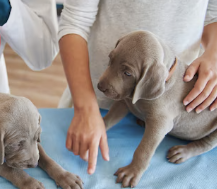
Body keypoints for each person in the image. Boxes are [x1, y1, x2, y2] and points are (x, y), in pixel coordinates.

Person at [58, 0, 217, 175]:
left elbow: (213, 15)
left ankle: (199, 147)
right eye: (111, 59)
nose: (104, 81)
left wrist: (137, 166)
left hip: (199, 125)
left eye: (127, 72)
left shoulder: (158, 98)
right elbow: (75, 20)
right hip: (89, 98)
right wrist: (86, 109)